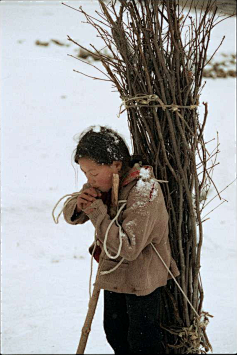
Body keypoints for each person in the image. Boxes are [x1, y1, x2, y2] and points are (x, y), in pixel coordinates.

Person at [62, 125, 180, 354]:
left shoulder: (145, 190)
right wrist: (79, 203)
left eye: (93, 173)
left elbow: (128, 247)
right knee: (115, 332)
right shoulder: (104, 184)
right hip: (114, 273)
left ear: (116, 165)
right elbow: (71, 216)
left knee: (141, 339)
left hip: (142, 278)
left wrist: (97, 212)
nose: (89, 179)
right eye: (85, 173)